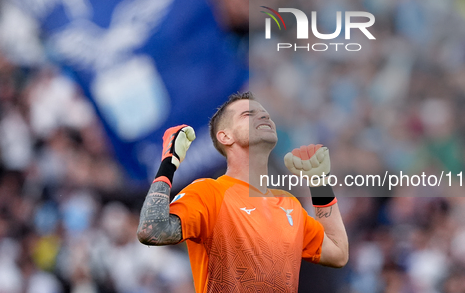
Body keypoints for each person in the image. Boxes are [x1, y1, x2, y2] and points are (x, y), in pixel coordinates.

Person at [137, 91, 348, 292]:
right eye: (248, 114)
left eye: (264, 113)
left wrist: (320, 184)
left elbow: (337, 253)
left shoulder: (287, 204)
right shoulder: (209, 193)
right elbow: (152, 230)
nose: (264, 116)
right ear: (225, 137)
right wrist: (168, 164)